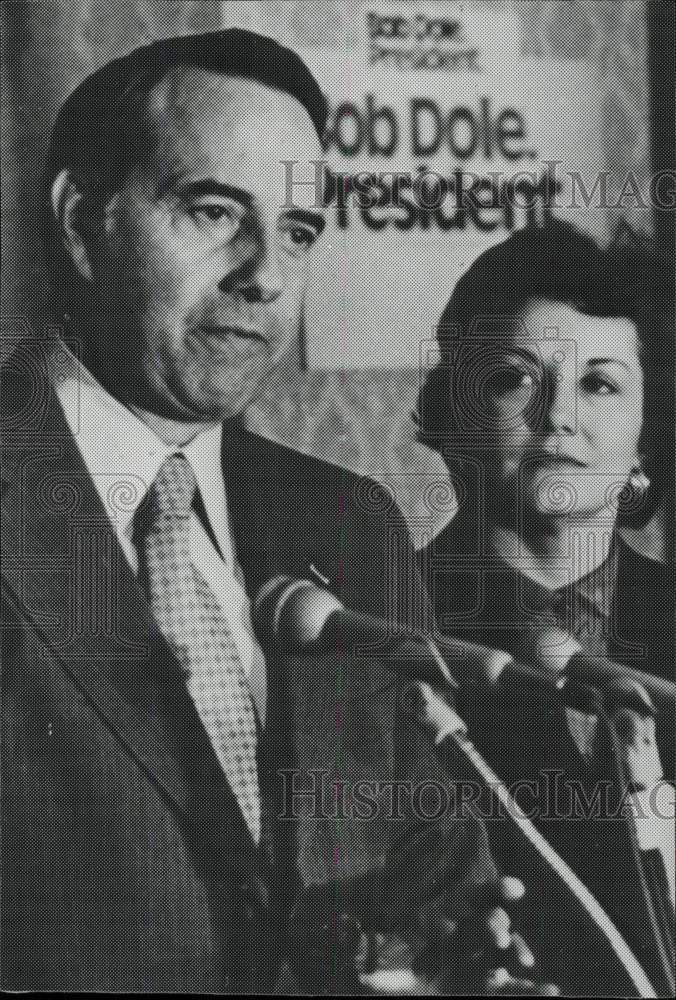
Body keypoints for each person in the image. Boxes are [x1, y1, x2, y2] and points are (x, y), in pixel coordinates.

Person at [1, 29, 547, 994]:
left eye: (298, 231)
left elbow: (434, 878)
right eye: (214, 211)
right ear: (83, 222)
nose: (266, 273)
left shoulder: (350, 528)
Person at [415, 220, 674, 986]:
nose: (558, 415)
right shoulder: (388, 620)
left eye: (599, 383)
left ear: (646, 444)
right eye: (516, 379)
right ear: (459, 415)